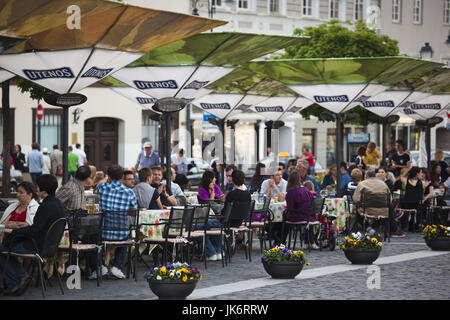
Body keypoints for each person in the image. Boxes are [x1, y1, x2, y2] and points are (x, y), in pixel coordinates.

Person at [0, 174, 64, 296]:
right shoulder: (58, 204)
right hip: (49, 247)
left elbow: (34, 230)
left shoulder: (45, 206)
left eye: (38, 187)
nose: (36, 189)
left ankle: (16, 280)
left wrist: (14, 232)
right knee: (6, 247)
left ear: (43, 190)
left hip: (36, 246)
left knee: (2, 248)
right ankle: (19, 277)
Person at [92, 165, 138, 280]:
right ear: (122, 177)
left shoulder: (101, 188)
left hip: (102, 232)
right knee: (127, 235)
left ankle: (100, 266)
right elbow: (134, 212)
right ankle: (117, 266)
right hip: (121, 233)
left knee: (90, 236)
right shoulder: (129, 192)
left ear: (108, 176)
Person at [282, 171, 318, 249]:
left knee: (283, 219)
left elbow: (290, 208)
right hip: (309, 216)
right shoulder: (305, 190)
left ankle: (281, 241)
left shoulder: (291, 192)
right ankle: (310, 242)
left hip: (297, 217)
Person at [398, 167, 423, 232]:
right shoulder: (421, 182)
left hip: (406, 203)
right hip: (416, 204)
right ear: (417, 174)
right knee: (420, 207)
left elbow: (401, 176)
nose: (422, 174)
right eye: (420, 172)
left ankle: (404, 227)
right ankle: (415, 226)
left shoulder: (406, 180)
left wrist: (408, 170)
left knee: (403, 207)